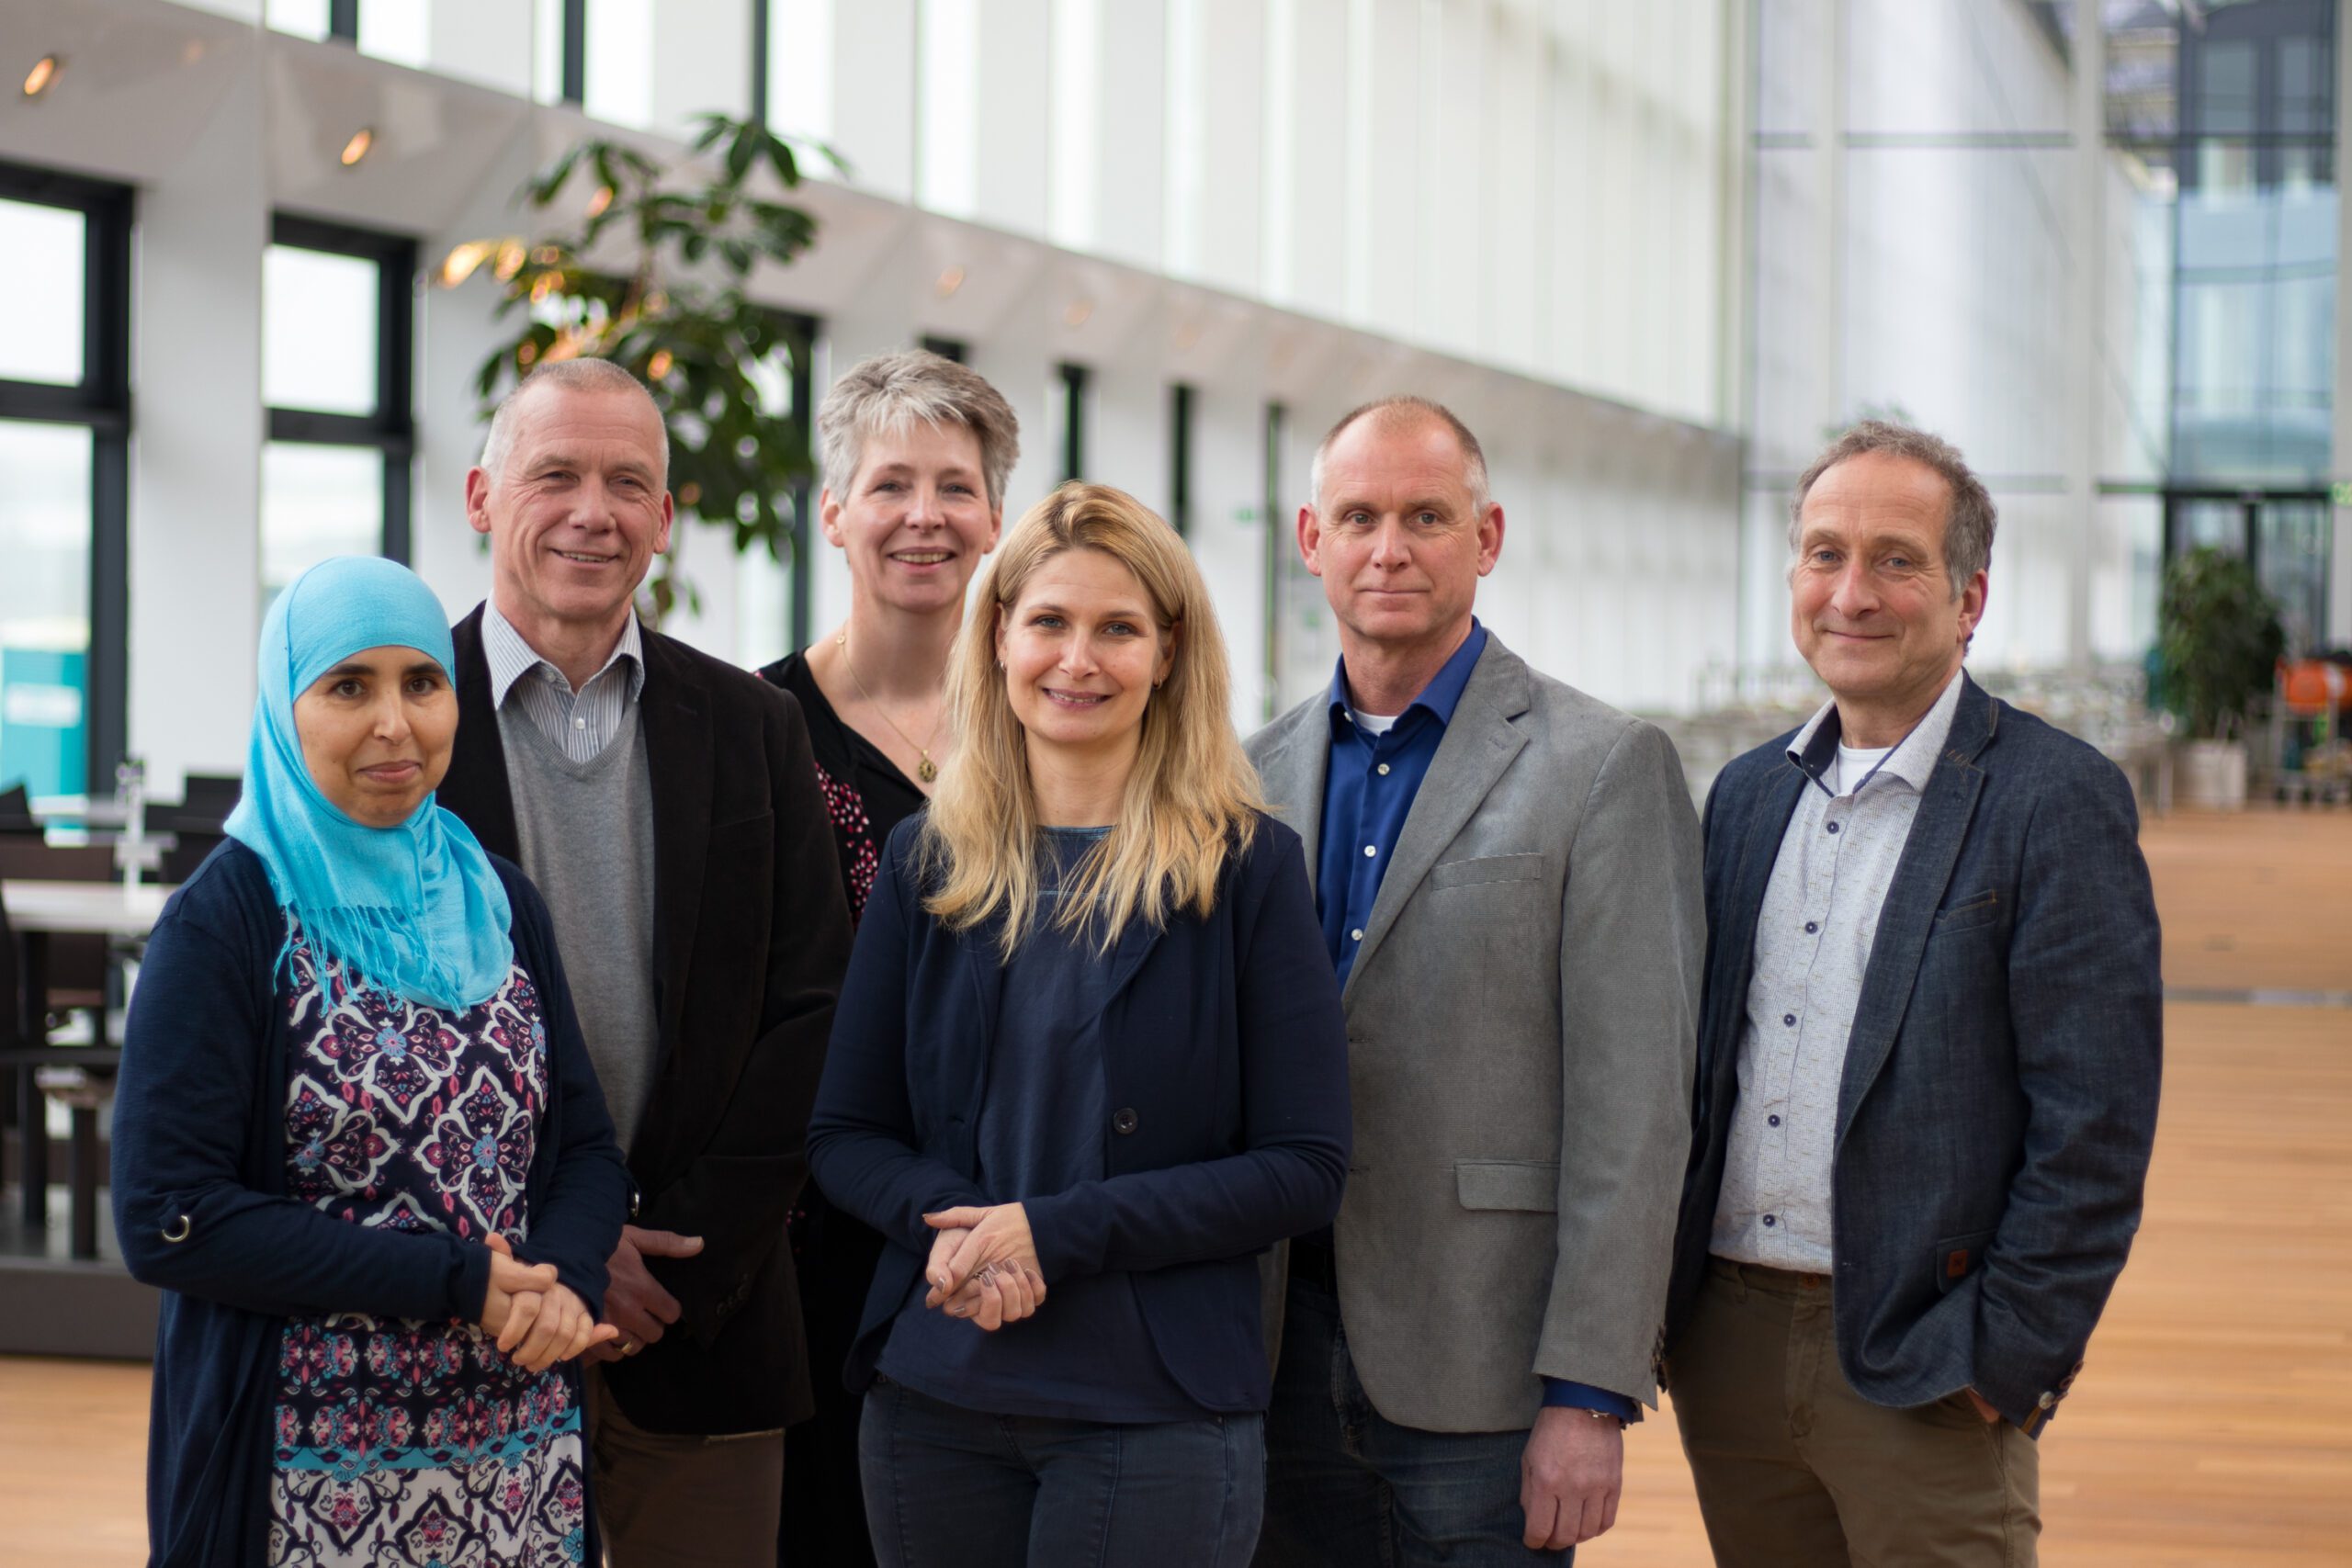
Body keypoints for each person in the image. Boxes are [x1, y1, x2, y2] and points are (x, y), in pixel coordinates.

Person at [808, 482, 1352, 1567]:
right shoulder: (929, 860)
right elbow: (844, 1135)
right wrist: (959, 1227)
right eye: (1048, 622)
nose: (1078, 659)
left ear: (1168, 653)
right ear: (999, 636)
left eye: (1117, 629)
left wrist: (1051, 1234)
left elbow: (1302, 1168)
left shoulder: (1244, 868)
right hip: (935, 1395)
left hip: (1154, 1407)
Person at [1661, 421, 2164, 1567]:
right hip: (1727, 1342)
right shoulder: (1743, 797)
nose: (1852, 591)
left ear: (1968, 596)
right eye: (1824, 553)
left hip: (1927, 1354)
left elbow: (2095, 1121)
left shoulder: (2052, 799)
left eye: (1896, 558)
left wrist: (2005, 1359)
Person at [1247, 397, 1704, 1565]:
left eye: (1426, 516)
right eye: (1358, 516)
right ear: (1311, 539)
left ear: (1487, 538)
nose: (1388, 548)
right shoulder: (1244, 774)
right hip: (1268, 1354)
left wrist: (1589, 1393)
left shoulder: (1603, 766)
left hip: (1487, 1368)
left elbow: (1636, 1112)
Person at [112, 555, 631, 1566]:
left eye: (422, 682)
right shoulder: (228, 919)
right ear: (284, 707)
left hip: (514, 1467)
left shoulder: (498, 898)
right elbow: (167, 1217)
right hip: (300, 1476)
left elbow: (583, 1151)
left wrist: (563, 1280)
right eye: (349, 686)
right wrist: (454, 1281)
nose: (395, 723)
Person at [434, 358, 854, 1566]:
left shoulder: (753, 725)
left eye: (629, 482)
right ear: (481, 494)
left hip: (705, 1312)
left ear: (664, 518)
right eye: (554, 473)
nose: (593, 511)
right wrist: (563, 1242)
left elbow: (812, 1008)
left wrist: (674, 1250)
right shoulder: (401, 721)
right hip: (475, 1311)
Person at [752, 349, 1019, 1565]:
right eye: (891, 482)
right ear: (834, 512)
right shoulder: (750, 732)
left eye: (955, 486)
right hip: (806, 1242)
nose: (925, 516)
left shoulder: (1052, 727)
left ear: (997, 517)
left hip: (1014, 1231)